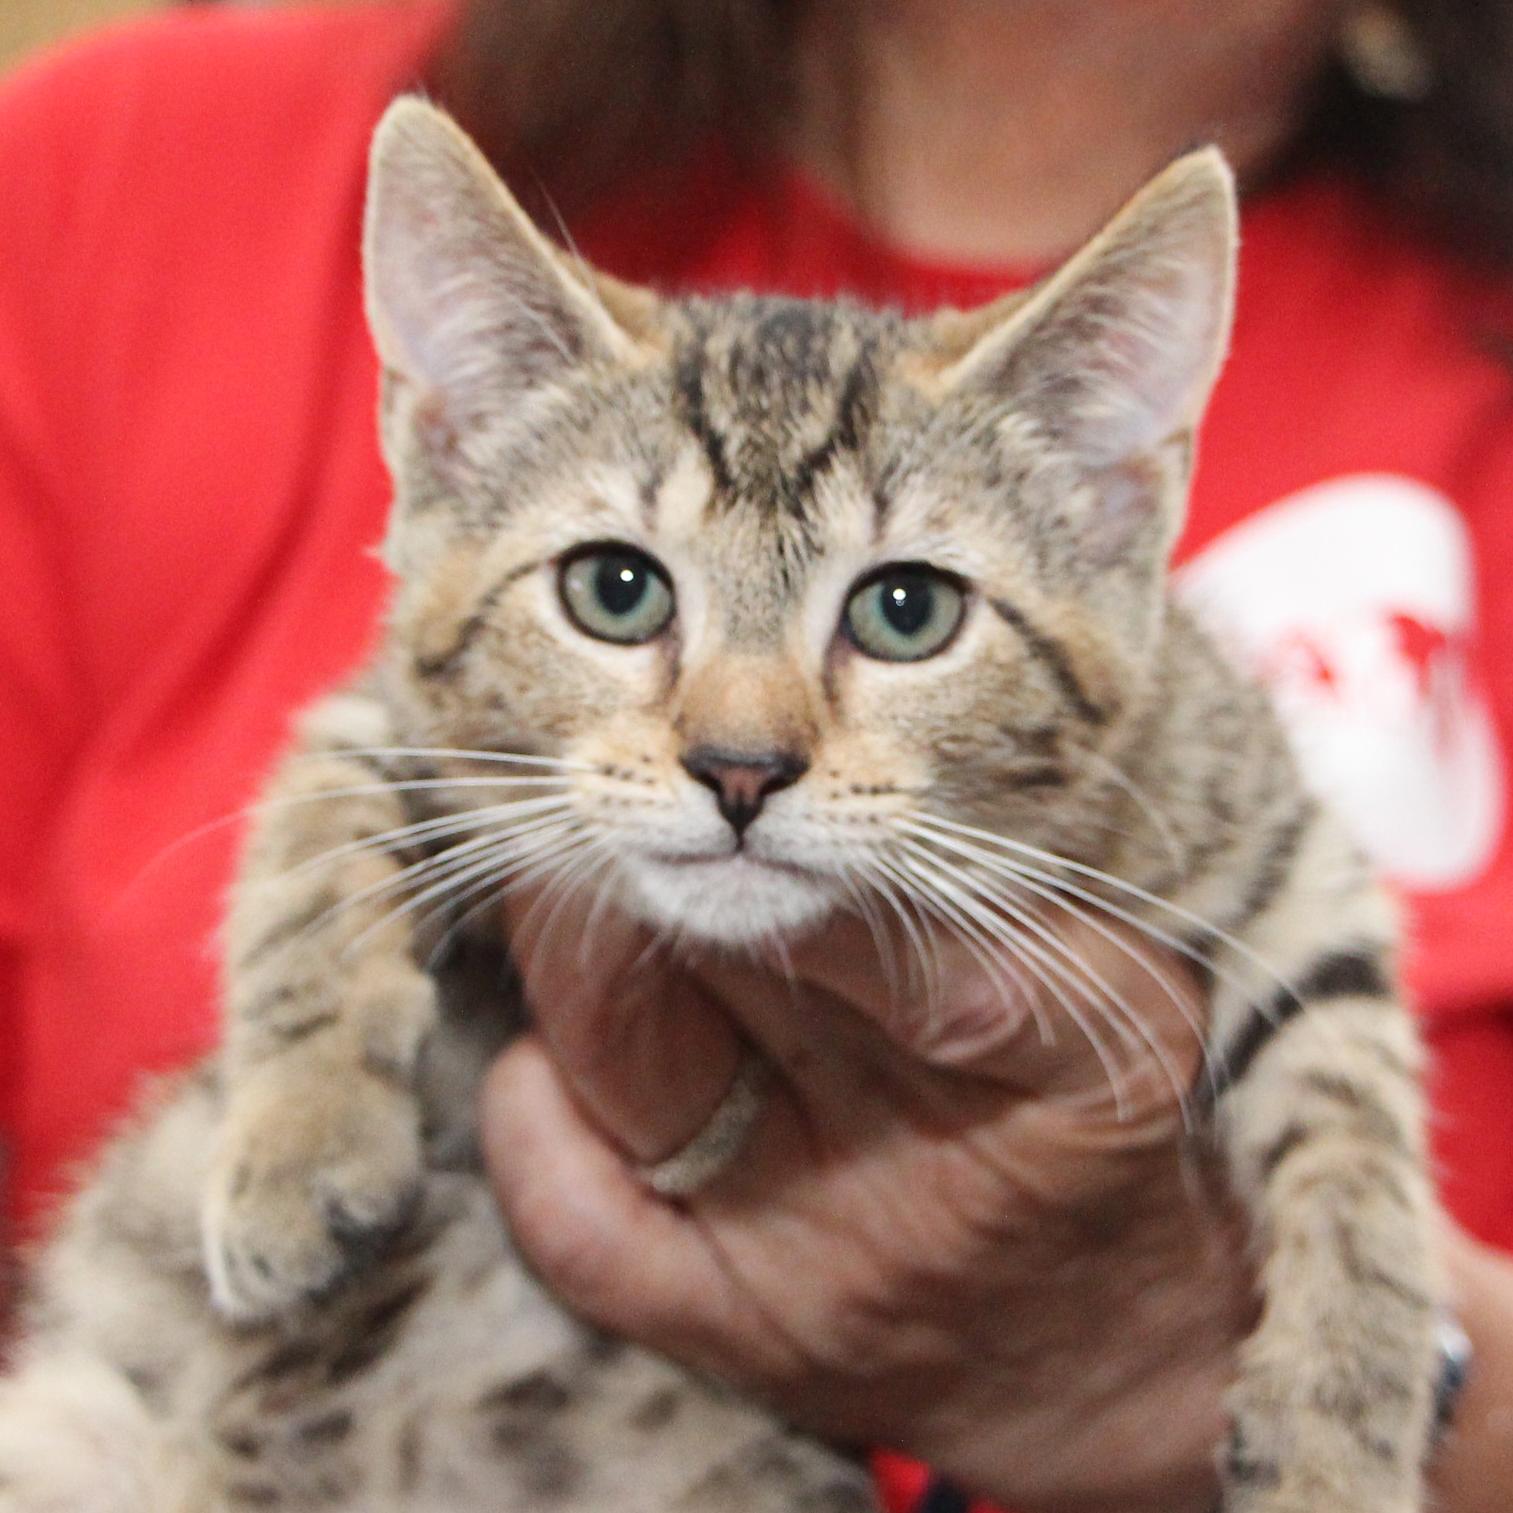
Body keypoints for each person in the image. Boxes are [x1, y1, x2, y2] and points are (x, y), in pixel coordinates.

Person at [1, 1, 1511, 1510]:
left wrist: (1227, 1372)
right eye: (621, 589)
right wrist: (323, 1026)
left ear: (1117, 494)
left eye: (902, 608)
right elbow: (373, 747)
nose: (741, 746)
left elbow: (1306, 938)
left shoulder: (1441, 337)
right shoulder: (124, 176)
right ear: (445, 435)